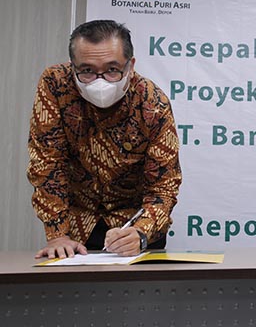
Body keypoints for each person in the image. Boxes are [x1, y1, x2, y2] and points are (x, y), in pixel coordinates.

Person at [27, 20, 182, 259]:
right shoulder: (55, 84)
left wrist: (142, 232)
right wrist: (57, 233)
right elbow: (47, 163)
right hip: (75, 229)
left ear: (130, 65)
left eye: (112, 69)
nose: (100, 81)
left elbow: (164, 185)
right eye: (87, 71)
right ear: (73, 67)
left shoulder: (152, 104)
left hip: (135, 226)